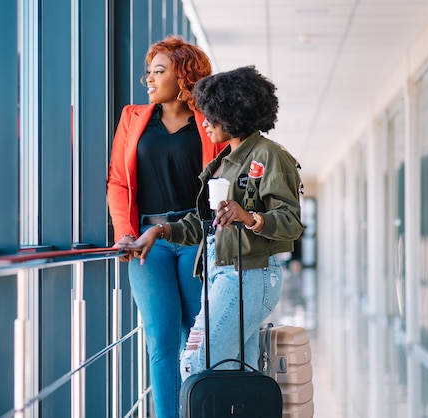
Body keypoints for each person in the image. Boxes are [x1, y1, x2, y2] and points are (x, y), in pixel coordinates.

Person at [119, 66, 304, 384]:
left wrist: (249, 217)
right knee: (234, 373)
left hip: (251, 275)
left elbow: (291, 223)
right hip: (222, 274)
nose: (202, 121)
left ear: (232, 113)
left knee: (194, 363)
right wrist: (160, 231)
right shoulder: (221, 165)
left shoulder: (269, 156)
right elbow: (203, 223)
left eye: (210, 115)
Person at [107, 35, 226, 418]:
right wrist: (124, 232)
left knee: (196, 337)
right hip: (146, 241)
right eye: (149, 71)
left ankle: (201, 411)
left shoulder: (212, 125)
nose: (149, 79)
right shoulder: (133, 118)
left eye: (159, 71)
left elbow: (225, 180)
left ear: (184, 77)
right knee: (159, 339)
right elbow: (119, 182)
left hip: (198, 238)